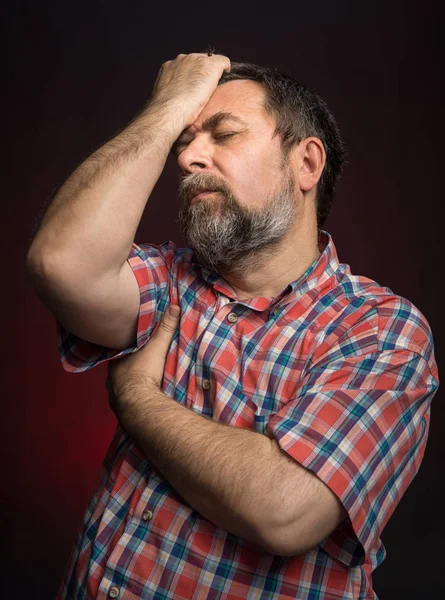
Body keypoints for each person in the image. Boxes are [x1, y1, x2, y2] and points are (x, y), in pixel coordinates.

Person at [26, 53, 439, 600]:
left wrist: (137, 400)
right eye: (183, 141)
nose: (189, 157)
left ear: (306, 165)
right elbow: (60, 263)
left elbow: (286, 510)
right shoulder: (167, 279)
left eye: (223, 134)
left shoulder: (382, 331)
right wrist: (169, 106)